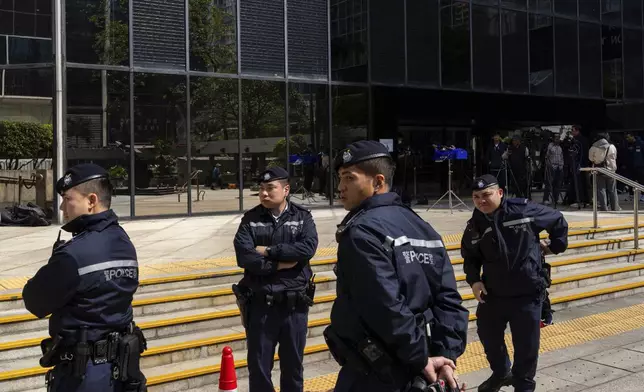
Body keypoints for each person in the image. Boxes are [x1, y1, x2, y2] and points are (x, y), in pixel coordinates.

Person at [324, 140, 469, 392]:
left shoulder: (362, 232)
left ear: (378, 182)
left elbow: (385, 305)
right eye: (340, 178)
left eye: (349, 178)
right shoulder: (423, 227)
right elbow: (449, 299)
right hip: (424, 371)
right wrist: (446, 355)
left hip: (376, 373)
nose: (340, 187)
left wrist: (420, 358)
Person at [22, 163, 146, 392]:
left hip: (83, 376)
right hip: (122, 370)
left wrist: (55, 264)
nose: (61, 207)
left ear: (91, 201)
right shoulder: (124, 242)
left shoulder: (73, 255)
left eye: (67, 198)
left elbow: (34, 301)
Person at [461, 174, 568, 392]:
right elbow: (470, 257)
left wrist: (554, 246)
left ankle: (524, 385)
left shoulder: (523, 211)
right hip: (493, 295)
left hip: (527, 293)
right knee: (488, 337)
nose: (482, 200)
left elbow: (557, 219)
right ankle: (501, 373)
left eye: (486, 195)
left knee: (526, 348)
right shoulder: (475, 224)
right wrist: (473, 281)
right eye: (476, 197)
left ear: (500, 193)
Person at [232, 166, 319, 392]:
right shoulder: (251, 219)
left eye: (270, 188)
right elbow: (244, 255)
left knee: (293, 369)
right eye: (261, 189)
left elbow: (307, 248)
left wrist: (268, 251)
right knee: (259, 369)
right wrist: (280, 263)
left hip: (294, 307)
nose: (264, 194)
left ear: (286, 189)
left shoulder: (302, 217)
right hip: (262, 306)